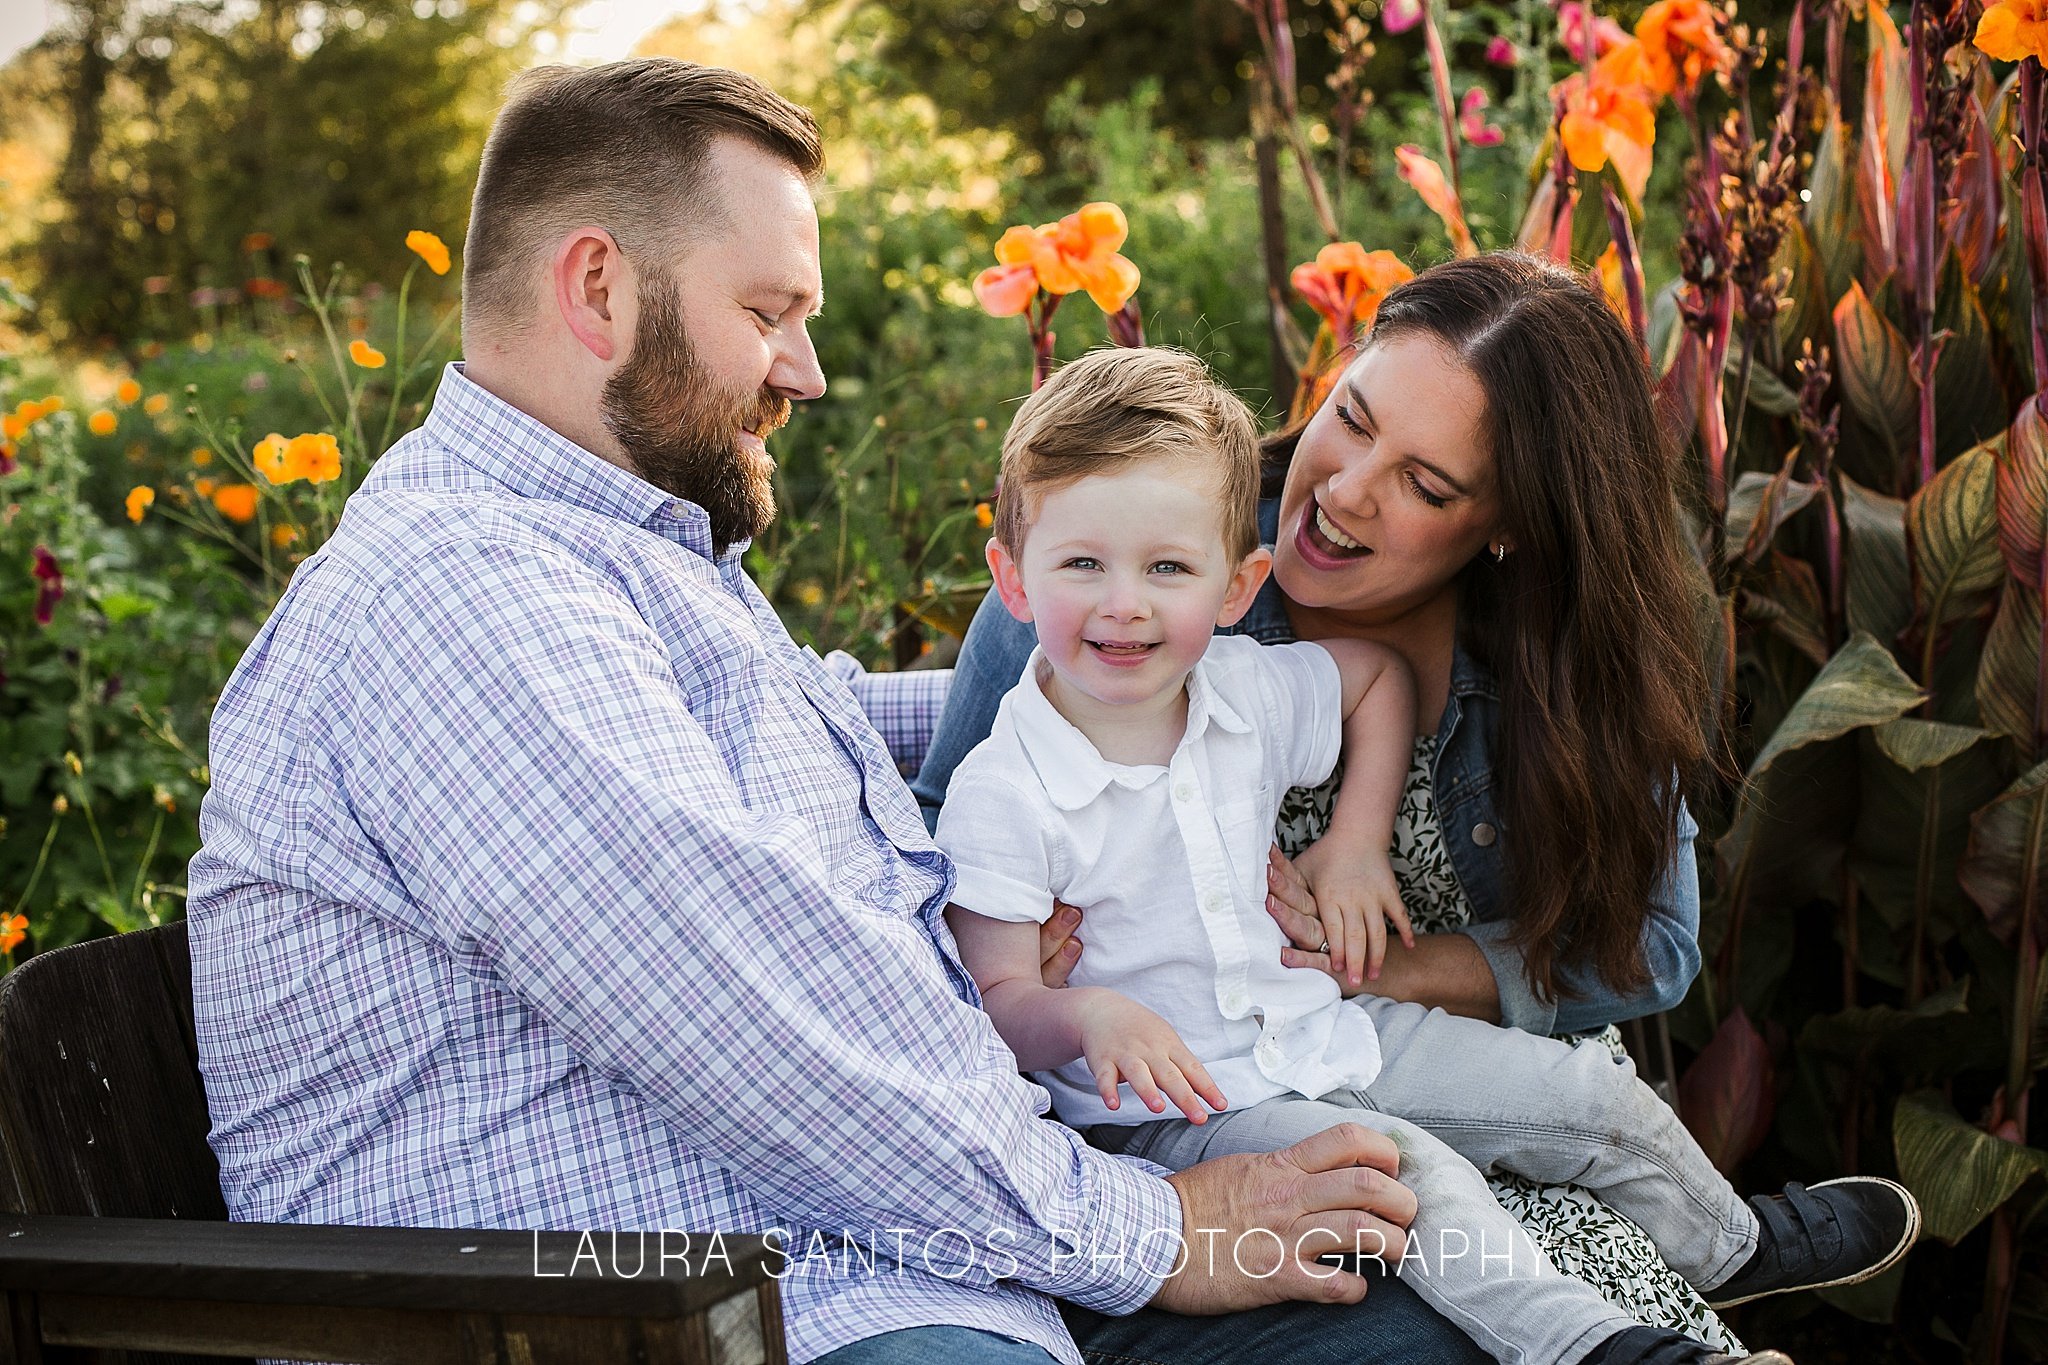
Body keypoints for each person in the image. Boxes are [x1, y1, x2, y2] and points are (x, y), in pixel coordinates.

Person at [184, 58, 1504, 1365]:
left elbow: (817, 720)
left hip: (919, 1252)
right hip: (690, 1308)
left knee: (1438, 1309)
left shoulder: (610, 556)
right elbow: (765, 1034)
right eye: (770, 310)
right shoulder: (463, 597)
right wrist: (1158, 1232)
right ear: (597, 287)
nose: (806, 372)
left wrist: (1148, 687)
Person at [903, 253, 1881, 1345]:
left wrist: (1366, 914)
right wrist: (1030, 978)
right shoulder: (1118, 560)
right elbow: (937, 867)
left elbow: (1649, 945)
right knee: (1412, 1202)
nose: (1344, 490)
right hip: (1210, 1114)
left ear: (1508, 526)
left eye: (1426, 484)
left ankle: (1731, 1254)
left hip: (1371, 1036)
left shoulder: (1566, 659)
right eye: (1350, 418)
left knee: (1575, 1128)